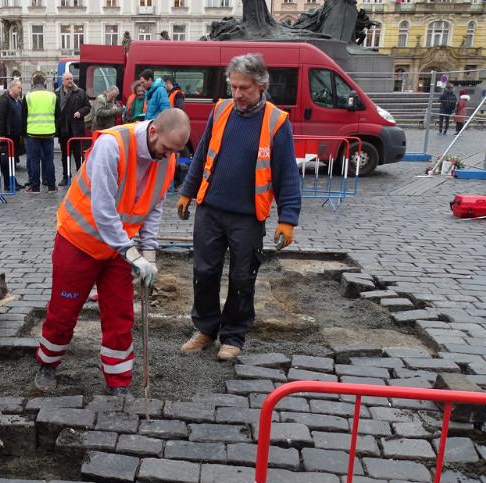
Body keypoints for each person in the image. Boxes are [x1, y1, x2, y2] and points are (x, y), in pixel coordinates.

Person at [33, 108, 191, 395]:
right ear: (153, 131)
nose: (168, 156)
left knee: (120, 315)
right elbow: (103, 210)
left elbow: (153, 207)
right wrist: (132, 254)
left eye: (174, 152)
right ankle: (48, 363)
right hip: (79, 242)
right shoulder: (112, 145)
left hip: (120, 249)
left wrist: (149, 253)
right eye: (166, 148)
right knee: (64, 311)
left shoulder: (167, 160)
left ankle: (119, 381)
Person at [176, 53, 301, 360]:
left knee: (242, 278)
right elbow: (203, 153)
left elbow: (287, 175)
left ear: (261, 86)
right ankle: (205, 328)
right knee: (203, 272)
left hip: (247, 217)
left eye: (244, 88)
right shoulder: (220, 110)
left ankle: (233, 334)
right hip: (210, 210)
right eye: (233, 87)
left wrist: (288, 219)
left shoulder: (276, 122)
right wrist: (187, 192)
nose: (238, 94)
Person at [22, 73, 58, 193]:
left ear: (32, 84)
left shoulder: (28, 97)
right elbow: (58, 115)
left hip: (33, 133)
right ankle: (52, 187)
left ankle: (35, 187)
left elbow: (23, 117)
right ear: (44, 84)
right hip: (49, 132)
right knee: (49, 160)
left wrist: (24, 133)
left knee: (34, 160)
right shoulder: (52, 96)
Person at [56, 72, 91, 187]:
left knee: (78, 154)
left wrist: (80, 113)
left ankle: (80, 176)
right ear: (62, 81)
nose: (70, 81)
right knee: (64, 155)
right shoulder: (57, 94)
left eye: (71, 79)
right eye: (67, 79)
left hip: (76, 129)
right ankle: (66, 177)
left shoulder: (79, 92)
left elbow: (87, 106)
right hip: (63, 129)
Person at [0, 78, 25, 191]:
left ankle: (13, 181)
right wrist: (2, 134)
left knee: (13, 159)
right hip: (8, 135)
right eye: (18, 88)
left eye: (21, 88)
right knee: (7, 160)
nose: (20, 90)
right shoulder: (5, 100)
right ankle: (8, 182)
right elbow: (1, 118)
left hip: (16, 135)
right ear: (12, 87)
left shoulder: (18, 101)